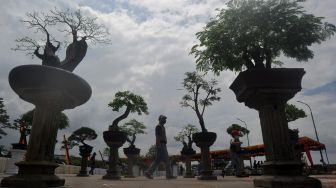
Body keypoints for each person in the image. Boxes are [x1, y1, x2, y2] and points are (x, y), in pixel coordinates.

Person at [145, 115, 176, 179]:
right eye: (163, 119)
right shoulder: (158, 126)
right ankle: (169, 175)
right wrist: (158, 145)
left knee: (157, 160)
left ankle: (148, 173)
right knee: (167, 160)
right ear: (160, 119)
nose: (165, 120)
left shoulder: (162, 127)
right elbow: (157, 136)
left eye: (165, 119)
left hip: (163, 144)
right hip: (161, 144)